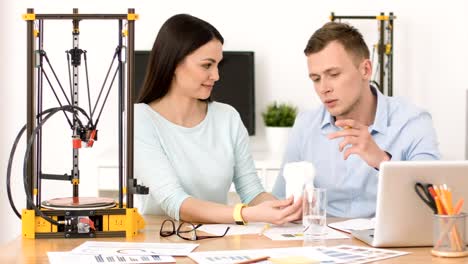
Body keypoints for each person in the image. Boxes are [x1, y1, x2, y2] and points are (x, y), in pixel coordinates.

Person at [134, 14, 301, 225]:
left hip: (216, 240)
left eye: (217, 65)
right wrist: (244, 214)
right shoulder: (140, 118)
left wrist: (285, 209)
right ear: (174, 63)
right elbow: (174, 201)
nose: (216, 75)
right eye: (206, 65)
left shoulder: (227, 117)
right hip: (161, 241)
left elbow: (252, 191)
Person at [273, 22, 440, 218]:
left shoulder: (413, 122)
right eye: (316, 79)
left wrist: (382, 161)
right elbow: (280, 199)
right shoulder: (305, 125)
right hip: (323, 240)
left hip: (392, 242)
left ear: (366, 70)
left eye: (333, 74)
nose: (323, 88)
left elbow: (435, 203)